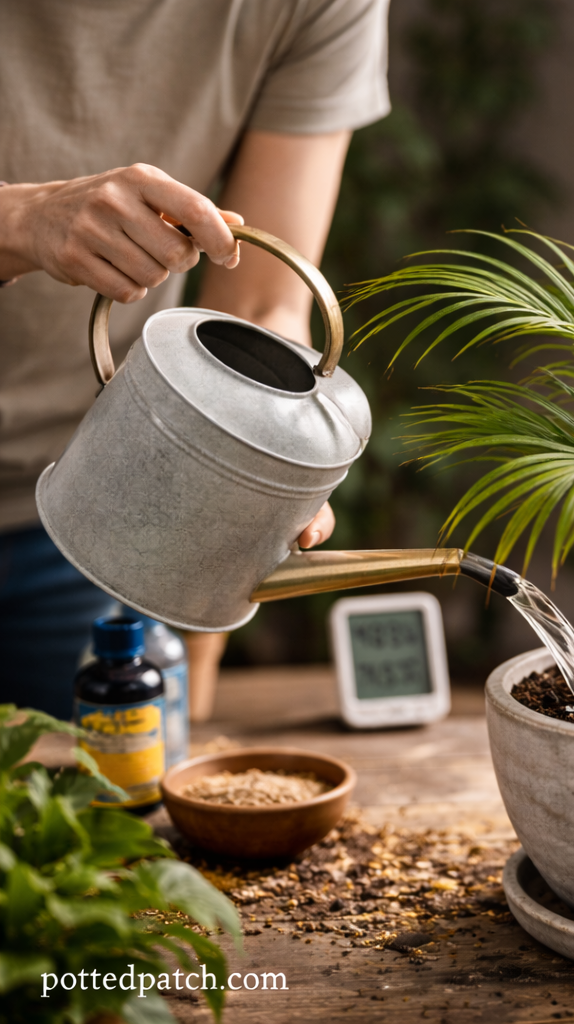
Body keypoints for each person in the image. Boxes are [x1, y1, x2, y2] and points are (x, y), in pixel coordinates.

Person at [0, 0, 390, 717]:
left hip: (105, 501)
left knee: (114, 817)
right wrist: (21, 222)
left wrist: (253, 484)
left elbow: (263, 305)